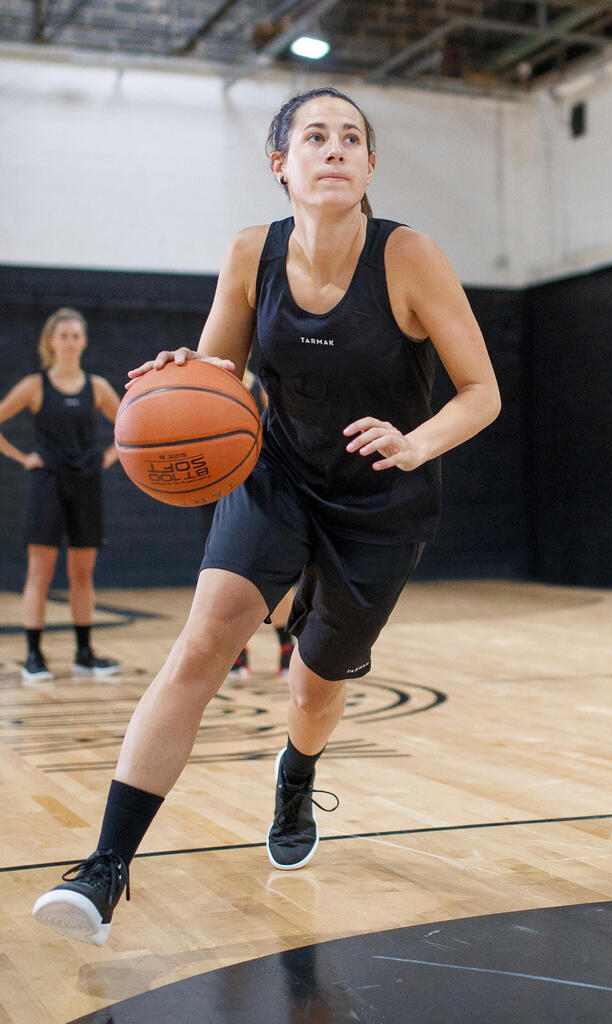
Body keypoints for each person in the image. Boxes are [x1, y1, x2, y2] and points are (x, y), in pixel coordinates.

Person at [32, 86, 500, 946]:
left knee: (313, 689)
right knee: (200, 646)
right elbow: (221, 370)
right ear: (281, 163)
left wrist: (415, 443)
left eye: (351, 138)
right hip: (275, 476)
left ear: (369, 166)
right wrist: (187, 373)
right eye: (315, 136)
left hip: (381, 498)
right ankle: (105, 866)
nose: (335, 149)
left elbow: (482, 392)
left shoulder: (408, 257)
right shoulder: (253, 252)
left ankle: (297, 772)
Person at [0, 308, 122, 682]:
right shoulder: (35, 385)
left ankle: (84, 654)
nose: (69, 341)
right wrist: (23, 457)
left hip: (86, 484)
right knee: (40, 571)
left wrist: (108, 457)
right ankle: (34, 655)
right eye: (63, 335)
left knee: (82, 574)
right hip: (47, 484)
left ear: (84, 342)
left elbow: (132, 427)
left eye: (75, 335)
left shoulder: (97, 387)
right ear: (51, 341)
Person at [196, 366, 296, 680]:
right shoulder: (198, 383)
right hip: (214, 485)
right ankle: (237, 652)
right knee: (223, 574)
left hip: (254, 483)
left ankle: (286, 644)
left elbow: (281, 428)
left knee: (269, 568)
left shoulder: (258, 383)